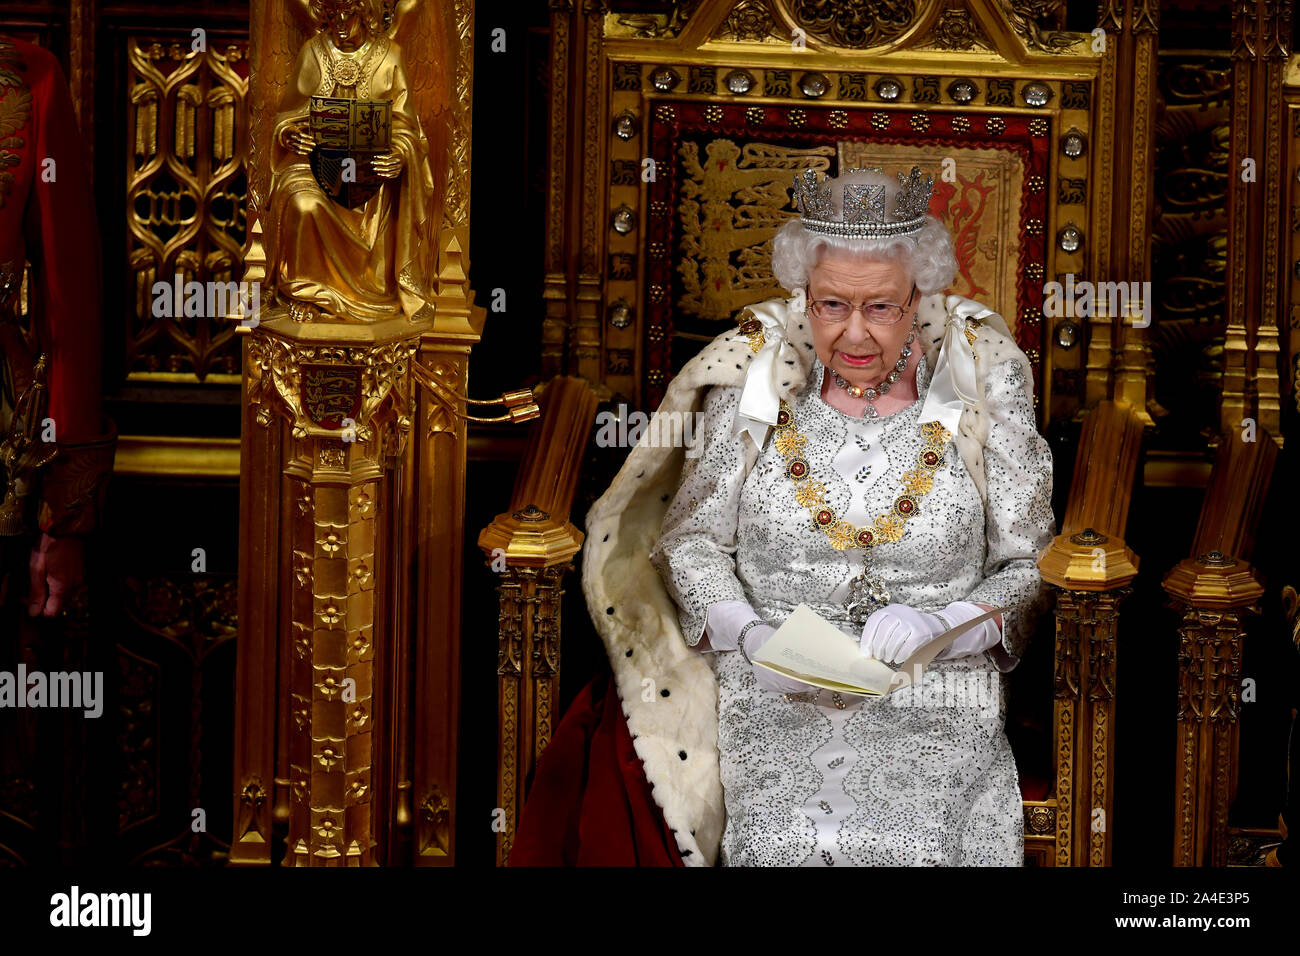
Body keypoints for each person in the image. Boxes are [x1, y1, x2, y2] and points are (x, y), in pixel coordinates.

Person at [263, 0, 436, 321]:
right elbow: (288, 115)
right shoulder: (313, 52)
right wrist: (290, 135)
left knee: (382, 193)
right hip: (315, 166)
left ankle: (377, 290)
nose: (340, 23)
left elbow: (407, 126)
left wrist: (398, 155)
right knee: (302, 204)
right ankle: (307, 292)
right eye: (332, 15)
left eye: (348, 14)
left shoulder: (390, 55)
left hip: (370, 174)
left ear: (366, 12)